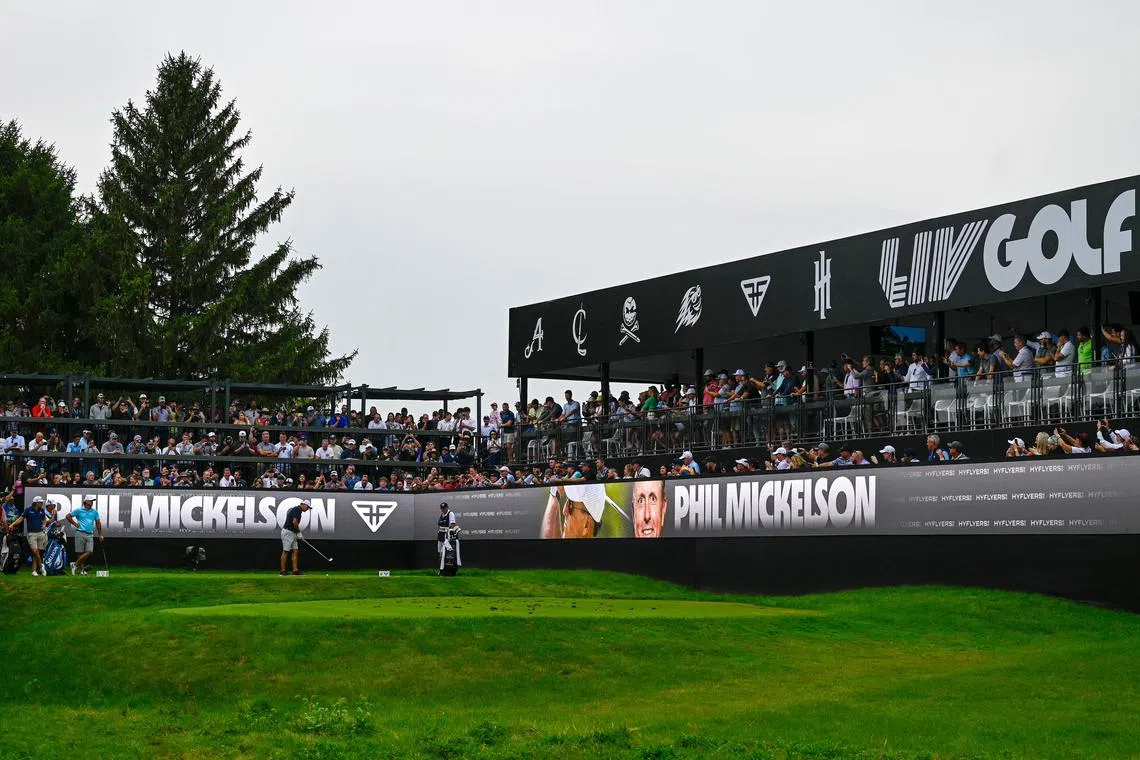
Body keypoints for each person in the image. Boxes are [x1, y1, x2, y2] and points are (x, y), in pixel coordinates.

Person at [9, 495, 49, 575]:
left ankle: (34, 571)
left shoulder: (42, 510)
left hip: (41, 533)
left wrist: (44, 524)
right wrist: (12, 524)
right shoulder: (28, 510)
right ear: (36, 503)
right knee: (35, 551)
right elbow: (21, 519)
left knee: (36, 553)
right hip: (32, 534)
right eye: (40, 502)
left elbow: (44, 519)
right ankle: (41, 566)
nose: (42, 503)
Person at [65, 495, 103, 576]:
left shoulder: (94, 512)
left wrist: (100, 535)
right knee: (80, 553)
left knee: (89, 551)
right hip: (80, 533)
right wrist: (75, 524)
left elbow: (98, 523)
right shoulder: (79, 510)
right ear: (86, 501)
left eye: (92, 501)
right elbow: (68, 516)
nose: (92, 502)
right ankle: (82, 571)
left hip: (90, 534)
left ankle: (74, 565)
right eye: (90, 501)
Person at [279, 499, 311, 576]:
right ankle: (282, 571)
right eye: (308, 507)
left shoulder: (298, 510)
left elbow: (294, 523)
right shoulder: (297, 509)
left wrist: (296, 533)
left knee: (295, 551)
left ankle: (295, 570)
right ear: (304, 505)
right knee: (286, 551)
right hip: (288, 532)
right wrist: (298, 532)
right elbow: (294, 522)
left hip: (292, 532)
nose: (307, 509)